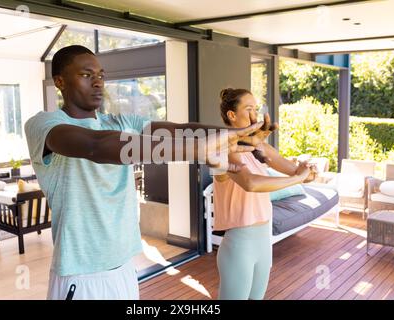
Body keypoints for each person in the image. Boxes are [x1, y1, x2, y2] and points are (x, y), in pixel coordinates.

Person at [24, 45, 277, 300]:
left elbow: (181, 129)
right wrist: (197, 150)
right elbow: (96, 145)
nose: (98, 83)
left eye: (101, 75)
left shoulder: (120, 122)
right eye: (86, 75)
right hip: (80, 276)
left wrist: (243, 138)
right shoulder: (44, 125)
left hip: (124, 270)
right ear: (59, 81)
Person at [213, 88, 317, 300]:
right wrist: (298, 179)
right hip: (239, 244)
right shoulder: (222, 150)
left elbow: (294, 170)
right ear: (232, 115)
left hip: (263, 239)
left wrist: (308, 171)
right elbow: (250, 183)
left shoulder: (257, 146)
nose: (255, 115)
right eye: (248, 109)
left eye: (256, 109)